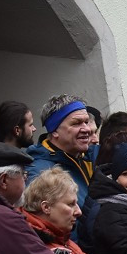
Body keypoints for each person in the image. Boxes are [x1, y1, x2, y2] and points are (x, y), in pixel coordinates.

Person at [26, 95, 96, 242]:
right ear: (54, 130)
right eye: (76, 123)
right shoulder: (39, 173)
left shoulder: (86, 157)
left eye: (86, 122)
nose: (87, 129)